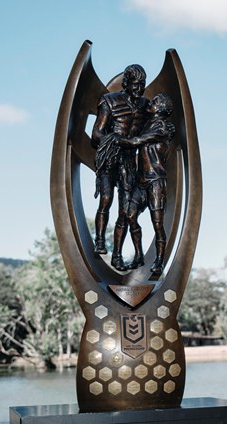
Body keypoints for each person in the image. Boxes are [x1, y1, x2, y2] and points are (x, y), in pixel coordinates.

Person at [91, 64, 149, 269]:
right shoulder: (110, 101)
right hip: (110, 155)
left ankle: (117, 255)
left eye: (142, 85)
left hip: (129, 161)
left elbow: (155, 124)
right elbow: (96, 134)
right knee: (106, 198)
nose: (138, 89)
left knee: (125, 211)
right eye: (135, 85)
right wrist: (117, 140)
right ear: (125, 84)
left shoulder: (145, 105)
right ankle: (99, 240)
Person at [116, 93, 176, 273]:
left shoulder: (162, 128)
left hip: (155, 182)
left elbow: (136, 141)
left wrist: (114, 140)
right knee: (129, 215)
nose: (152, 102)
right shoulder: (147, 125)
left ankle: (159, 261)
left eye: (156, 101)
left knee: (157, 224)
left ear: (161, 109)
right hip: (141, 182)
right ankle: (139, 256)